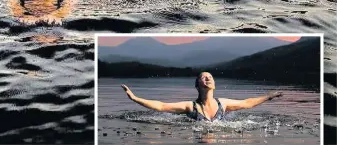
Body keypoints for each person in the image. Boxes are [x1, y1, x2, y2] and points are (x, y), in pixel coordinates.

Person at [121, 72, 283, 122]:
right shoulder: (190, 107)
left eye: (210, 76)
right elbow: (162, 106)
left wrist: (268, 96)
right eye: (203, 77)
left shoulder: (223, 103)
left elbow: (247, 103)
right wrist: (135, 98)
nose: (208, 78)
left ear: (214, 84)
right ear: (197, 85)